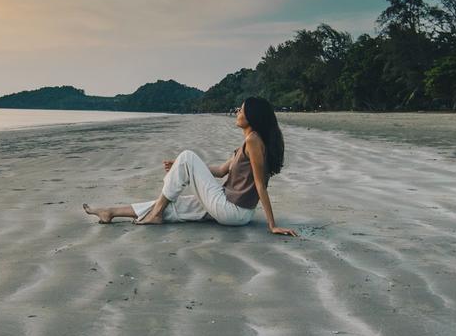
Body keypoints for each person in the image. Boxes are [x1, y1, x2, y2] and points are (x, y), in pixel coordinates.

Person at [83, 96, 299, 237]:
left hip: (233, 210)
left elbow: (261, 185)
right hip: (229, 206)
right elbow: (222, 171)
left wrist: (272, 225)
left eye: (241, 110)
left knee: (187, 156)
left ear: (252, 116)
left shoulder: (253, 141)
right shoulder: (250, 140)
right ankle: (110, 212)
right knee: (173, 205)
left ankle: (156, 213)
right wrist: (182, 167)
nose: (237, 112)